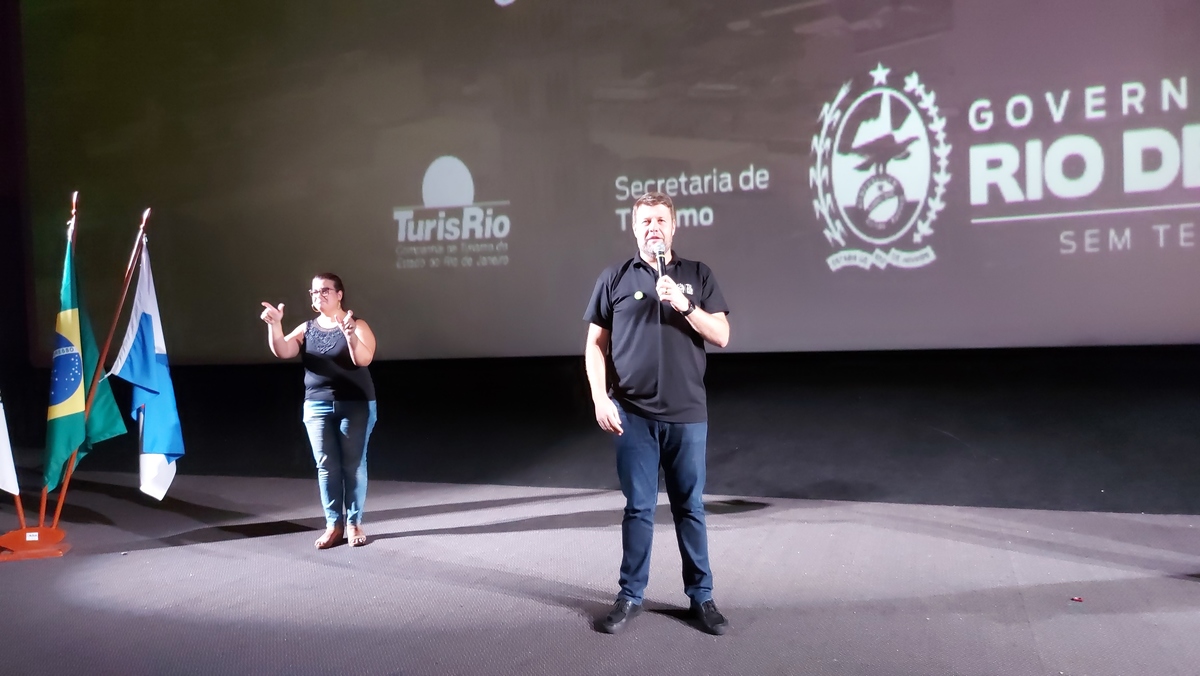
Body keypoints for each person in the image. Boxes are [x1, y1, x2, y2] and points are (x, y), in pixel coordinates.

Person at [583, 191, 732, 635]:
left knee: (690, 507)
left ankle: (702, 597)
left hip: (687, 414)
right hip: (634, 415)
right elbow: (595, 346)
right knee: (639, 509)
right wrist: (600, 397)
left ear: (673, 226)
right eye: (645, 221)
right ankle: (630, 595)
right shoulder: (614, 277)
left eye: (661, 220)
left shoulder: (697, 275)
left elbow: (722, 334)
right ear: (634, 228)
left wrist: (685, 305)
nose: (653, 227)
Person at [260, 273, 378, 549]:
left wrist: (349, 334)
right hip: (317, 405)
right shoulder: (307, 328)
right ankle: (333, 525)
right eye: (314, 291)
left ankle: (354, 523)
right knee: (326, 466)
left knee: (353, 466)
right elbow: (283, 350)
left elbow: (363, 359)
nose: (319, 295)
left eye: (325, 290)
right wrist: (275, 325)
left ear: (339, 295)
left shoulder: (358, 325)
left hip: (355, 404)